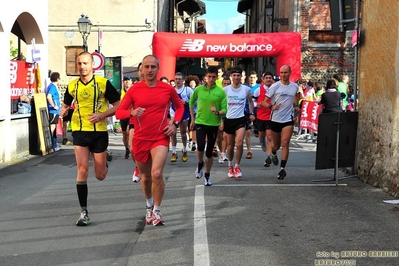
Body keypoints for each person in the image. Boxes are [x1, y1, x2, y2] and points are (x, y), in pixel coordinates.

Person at [115, 55, 184, 226]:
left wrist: (174, 124)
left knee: (157, 173)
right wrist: (131, 113)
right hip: (140, 139)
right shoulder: (134, 90)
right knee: (145, 177)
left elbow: (180, 106)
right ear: (142, 69)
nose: (150, 70)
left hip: (160, 137)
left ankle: (157, 211)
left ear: (158, 68)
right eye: (147, 67)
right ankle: (149, 205)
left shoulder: (167, 89)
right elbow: (119, 112)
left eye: (153, 67)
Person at [60, 51, 120, 226]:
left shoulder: (103, 84)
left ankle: (104, 161)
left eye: (85, 63)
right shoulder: (72, 86)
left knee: (100, 175)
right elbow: (65, 106)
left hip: (99, 131)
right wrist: (63, 111)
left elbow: (118, 105)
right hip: (79, 131)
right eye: (79, 63)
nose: (82, 67)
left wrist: (102, 115)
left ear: (93, 65)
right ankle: (84, 211)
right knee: (82, 170)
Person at [189, 66, 227, 186]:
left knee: (209, 152)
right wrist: (192, 119)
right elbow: (191, 102)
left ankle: (207, 175)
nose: (210, 79)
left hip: (213, 124)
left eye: (213, 77)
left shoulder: (220, 91)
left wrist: (217, 113)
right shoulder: (199, 89)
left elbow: (225, 109)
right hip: (200, 122)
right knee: (200, 146)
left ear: (216, 77)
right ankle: (200, 163)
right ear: (206, 77)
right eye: (209, 76)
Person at [260, 65, 300, 180]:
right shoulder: (275, 86)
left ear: (290, 73)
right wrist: (272, 106)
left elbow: (295, 97)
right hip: (275, 119)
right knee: (276, 145)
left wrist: (296, 106)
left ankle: (282, 169)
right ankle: (273, 152)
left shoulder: (294, 86)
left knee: (285, 142)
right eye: (281, 73)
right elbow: (264, 102)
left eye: (285, 73)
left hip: (288, 119)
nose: (283, 75)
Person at [223, 67, 255, 178]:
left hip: (241, 119)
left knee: (239, 143)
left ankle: (237, 166)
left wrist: (251, 113)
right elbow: (221, 104)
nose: (236, 77)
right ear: (231, 76)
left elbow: (251, 102)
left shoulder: (246, 89)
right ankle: (230, 165)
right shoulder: (226, 90)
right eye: (234, 75)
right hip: (229, 119)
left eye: (238, 75)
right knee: (230, 145)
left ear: (241, 77)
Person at [169, 72, 193, 162]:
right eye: (176, 79)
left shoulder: (188, 90)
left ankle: (184, 150)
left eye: (179, 79)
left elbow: (195, 101)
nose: (177, 81)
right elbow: (168, 102)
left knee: (183, 133)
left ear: (183, 80)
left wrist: (186, 102)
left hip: (184, 113)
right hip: (173, 112)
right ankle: (174, 152)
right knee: (173, 132)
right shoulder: (171, 90)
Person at [254, 72, 274, 167]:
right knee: (261, 137)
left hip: (271, 116)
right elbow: (253, 100)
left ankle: (268, 156)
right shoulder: (258, 90)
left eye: (270, 78)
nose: (268, 79)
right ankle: (262, 143)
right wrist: (255, 104)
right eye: (267, 78)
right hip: (260, 116)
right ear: (263, 79)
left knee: (270, 137)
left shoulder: (275, 89)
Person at [46, 71, 61, 152]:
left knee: (54, 128)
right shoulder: (52, 86)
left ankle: (54, 145)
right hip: (53, 111)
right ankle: (51, 145)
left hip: (54, 111)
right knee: (52, 128)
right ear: (57, 79)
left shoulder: (51, 86)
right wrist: (53, 105)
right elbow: (49, 97)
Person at [185, 75, 200, 151]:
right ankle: (190, 139)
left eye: (193, 83)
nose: (192, 84)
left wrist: (193, 103)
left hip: (195, 111)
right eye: (191, 83)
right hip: (187, 111)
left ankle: (193, 142)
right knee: (187, 127)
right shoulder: (186, 90)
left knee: (194, 127)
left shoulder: (198, 90)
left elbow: (198, 102)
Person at [120, 75, 133, 159]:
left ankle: (132, 148)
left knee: (129, 131)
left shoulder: (134, 90)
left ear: (131, 81)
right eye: (125, 80)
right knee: (124, 134)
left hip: (132, 114)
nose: (126, 82)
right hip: (123, 115)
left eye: (128, 80)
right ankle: (127, 148)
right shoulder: (120, 92)